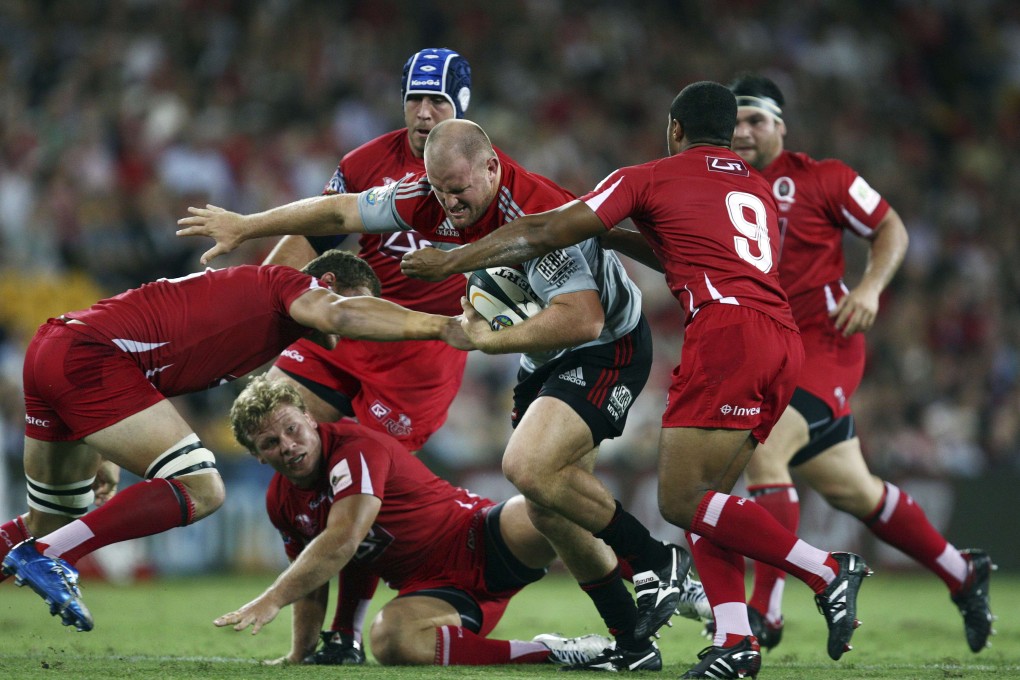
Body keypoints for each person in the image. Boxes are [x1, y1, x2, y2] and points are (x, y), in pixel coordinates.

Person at [176, 119, 707, 672]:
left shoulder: (534, 216)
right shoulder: (423, 196)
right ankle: (633, 643)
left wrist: (487, 338)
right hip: (543, 356)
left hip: (606, 344)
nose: (449, 202)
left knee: (529, 468)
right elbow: (338, 212)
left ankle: (659, 562)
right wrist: (248, 224)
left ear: (493, 168)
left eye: (460, 189)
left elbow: (581, 319)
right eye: (438, 189)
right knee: (552, 507)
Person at [398, 82, 874, 680]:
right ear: (727, 135)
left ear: (674, 129)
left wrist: (450, 261)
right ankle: (736, 643)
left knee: (682, 500)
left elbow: (544, 232)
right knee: (711, 503)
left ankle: (826, 571)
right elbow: (675, 252)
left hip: (725, 333)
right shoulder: (750, 184)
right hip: (781, 337)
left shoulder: (648, 176)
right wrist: (600, 232)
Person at [0, 250, 470, 633]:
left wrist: (99, 441)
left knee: (50, 520)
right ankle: (51, 556)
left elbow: (155, 350)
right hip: (91, 359)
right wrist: (442, 326)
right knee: (203, 488)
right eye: (364, 306)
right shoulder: (291, 287)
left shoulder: (266, 320)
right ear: (327, 283)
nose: (357, 331)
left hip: (62, 352)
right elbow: (340, 312)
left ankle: (44, 545)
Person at [723, 73, 995, 653]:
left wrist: (869, 289)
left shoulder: (826, 178)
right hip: (765, 352)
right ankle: (961, 571)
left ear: (781, 126)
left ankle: (764, 613)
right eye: (735, 122)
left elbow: (890, 227)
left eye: (757, 120)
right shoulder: (717, 186)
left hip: (825, 345)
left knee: (764, 450)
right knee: (854, 491)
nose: (744, 132)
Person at [218, 375, 612, 667]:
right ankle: (554, 652)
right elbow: (314, 578)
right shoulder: (281, 502)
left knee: (553, 510)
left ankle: (658, 579)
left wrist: (271, 598)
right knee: (390, 641)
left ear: (308, 418)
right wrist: (300, 653)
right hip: (437, 593)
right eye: (270, 443)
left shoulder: (355, 448)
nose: (288, 446)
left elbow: (343, 540)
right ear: (257, 455)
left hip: (480, 536)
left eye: (291, 429)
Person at [264, 47, 474, 452]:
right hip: (351, 326)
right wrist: (256, 306)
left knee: (367, 478)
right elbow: (312, 236)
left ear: (460, 108)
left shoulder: (492, 176)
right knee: (271, 422)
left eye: (437, 101)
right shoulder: (365, 163)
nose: (423, 113)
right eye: (414, 99)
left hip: (422, 358)